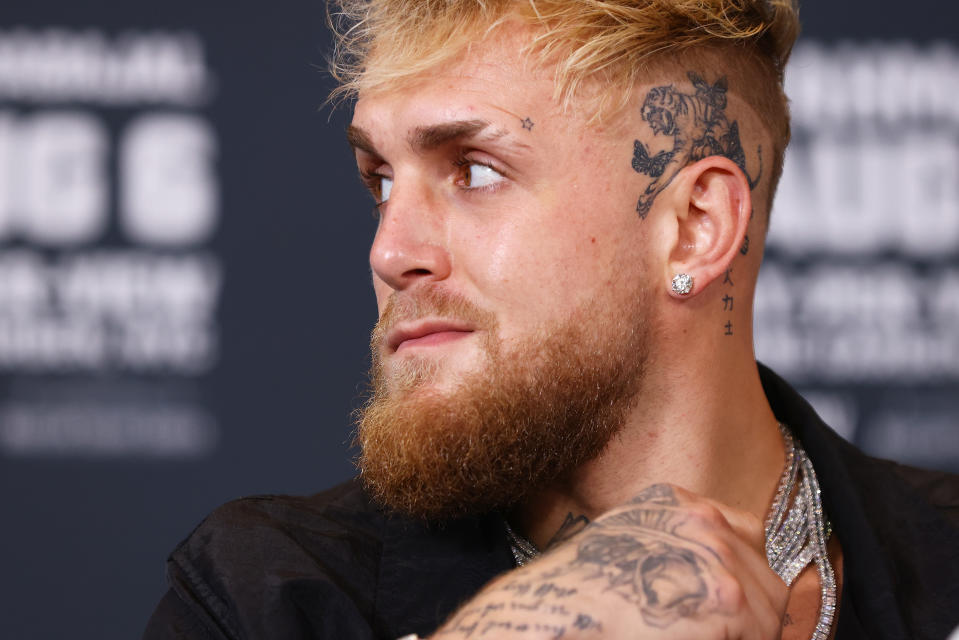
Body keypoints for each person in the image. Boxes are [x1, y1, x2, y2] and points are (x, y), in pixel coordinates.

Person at [144, 1, 959, 639]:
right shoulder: (267, 600)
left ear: (694, 226)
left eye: (473, 169)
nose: (390, 252)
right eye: (381, 180)